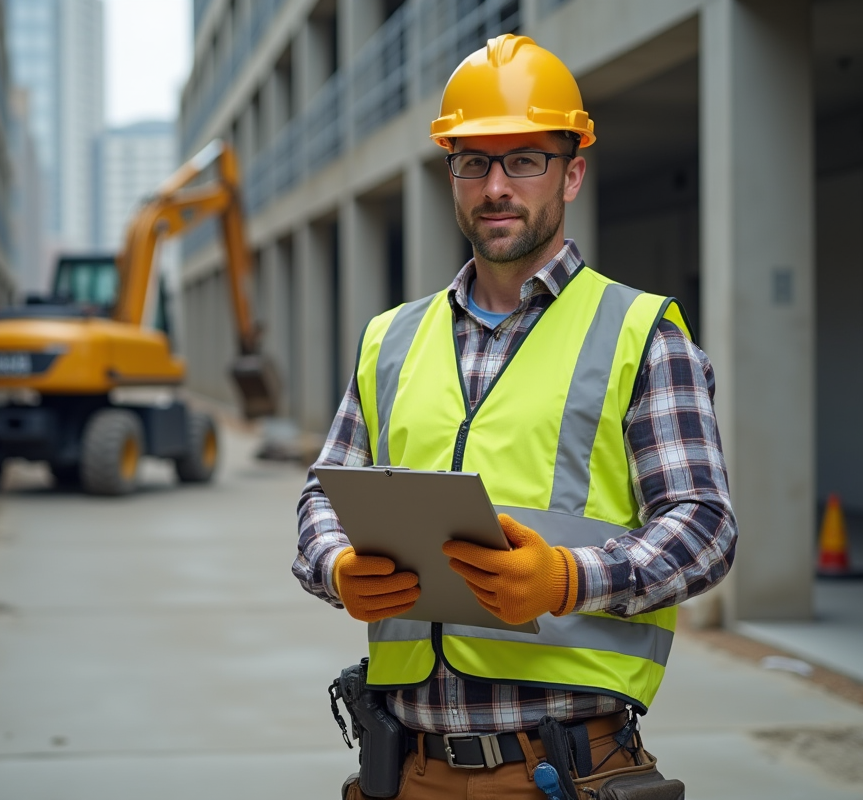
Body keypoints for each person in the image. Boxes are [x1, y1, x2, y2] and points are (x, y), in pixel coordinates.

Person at [294, 34, 737, 799]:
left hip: (562, 770)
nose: (496, 185)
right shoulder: (389, 339)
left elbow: (704, 528)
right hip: (407, 771)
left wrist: (568, 577)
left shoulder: (639, 332)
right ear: (452, 177)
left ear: (571, 174)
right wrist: (337, 568)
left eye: (523, 159)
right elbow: (320, 499)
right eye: (474, 162)